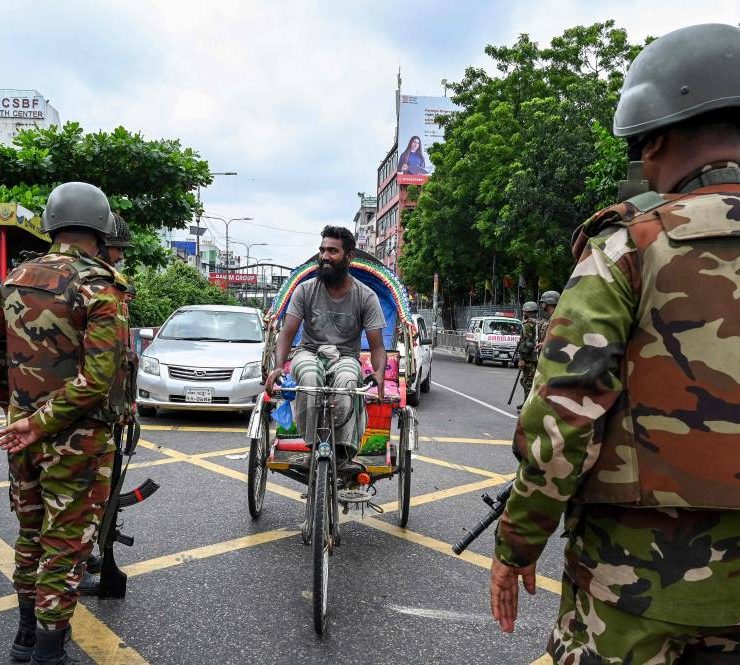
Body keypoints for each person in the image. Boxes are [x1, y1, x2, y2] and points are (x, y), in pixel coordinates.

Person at [490, 23, 740, 663]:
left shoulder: (628, 248)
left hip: (633, 588)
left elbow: (564, 418)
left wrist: (518, 543)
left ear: (654, 137)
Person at [0, 182, 128, 665]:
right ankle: (49, 653)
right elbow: (99, 378)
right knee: (64, 546)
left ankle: (24, 640)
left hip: (20, 435)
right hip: (76, 441)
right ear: (101, 228)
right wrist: (43, 423)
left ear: (52, 223)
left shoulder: (14, 279)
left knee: (30, 535)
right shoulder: (99, 286)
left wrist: (21, 417)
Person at [264, 226, 386, 461]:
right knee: (309, 378)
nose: (325, 256)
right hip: (309, 352)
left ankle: (342, 450)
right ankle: (312, 446)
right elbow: (287, 333)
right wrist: (278, 366)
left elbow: (377, 346)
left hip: (346, 356)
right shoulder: (305, 290)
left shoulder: (366, 296)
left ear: (349, 256)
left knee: (349, 380)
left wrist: (379, 372)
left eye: (333, 251)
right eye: (322, 250)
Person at [78, 213, 138, 596]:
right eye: (116, 248)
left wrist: (127, 404)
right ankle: (75, 567)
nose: (119, 257)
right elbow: (103, 363)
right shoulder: (95, 289)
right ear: (100, 244)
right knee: (82, 500)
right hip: (88, 415)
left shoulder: (109, 286)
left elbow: (122, 357)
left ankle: (88, 554)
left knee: (97, 498)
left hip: (102, 411)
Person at [515, 301, 539, 411]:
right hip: (536, 356)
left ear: (528, 311)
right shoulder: (539, 322)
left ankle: (528, 406)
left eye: (524, 311)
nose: (523, 312)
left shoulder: (528, 324)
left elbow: (528, 343)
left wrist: (522, 358)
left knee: (527, 382)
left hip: (529, 357)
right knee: (527, 381)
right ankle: (527, 403)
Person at [535, 290, 560, 356]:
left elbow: (559, 339)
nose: (542, 304)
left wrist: (545, 344)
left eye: (543, 302)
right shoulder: (552, 318)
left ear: (548, 302)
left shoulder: (556, 318)